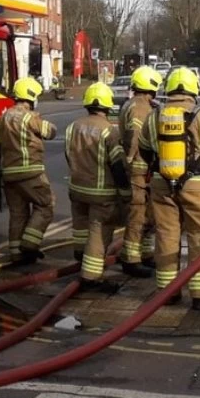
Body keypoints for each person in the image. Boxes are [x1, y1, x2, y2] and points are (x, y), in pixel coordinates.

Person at [138, 67, 200, 310]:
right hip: (196, 184)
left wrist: (161, 168)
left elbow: (144, 149)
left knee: (166, 235)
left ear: (168, 89)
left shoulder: (154, 116)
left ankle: (167, 293)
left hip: (161, 183)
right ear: (194, 89)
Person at [66, 82, 130, 289]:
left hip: (77, 188)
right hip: (101, 193)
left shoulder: (72, 127)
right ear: (107, 105)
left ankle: (80, 255)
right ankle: (91, 276)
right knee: (98, 231)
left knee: (81, 225)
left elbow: (69, 156)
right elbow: (118, 166)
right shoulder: (109, 131)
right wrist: (125, 192)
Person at [0, 77, 58, 266]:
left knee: (18, 214)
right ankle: (30, 244)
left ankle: (16, 254)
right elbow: (51, 132)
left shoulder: (2, 119)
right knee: (46, 205)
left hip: (9, 173)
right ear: (30, 97)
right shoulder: (29, 117)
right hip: (30, 171)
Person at [119, 66, 164, 278]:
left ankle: (145, 254)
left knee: (148, 215)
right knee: (137, 216)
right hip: (139, 170)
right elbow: (135, 135)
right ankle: (131, 260)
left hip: (143, 171)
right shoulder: (139, 107)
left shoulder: (135, 104)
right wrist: (130, 160)